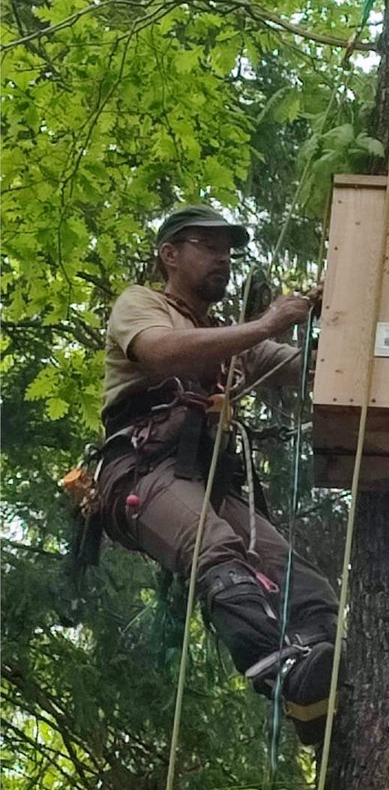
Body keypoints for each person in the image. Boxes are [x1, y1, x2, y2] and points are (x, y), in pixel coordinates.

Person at [98, 204, 339, 744]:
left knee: (306, 586)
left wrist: (338, 318)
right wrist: (265, 323)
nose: (223, 258)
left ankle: (318, 699)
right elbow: (160, 351)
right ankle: (279, 670)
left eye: (227, 250)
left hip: (209, 477)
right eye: (208, 246)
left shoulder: (230, 338)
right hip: (144, 469)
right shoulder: (141, 305)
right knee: (216, 550)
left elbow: (307, 366)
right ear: (169, 255)